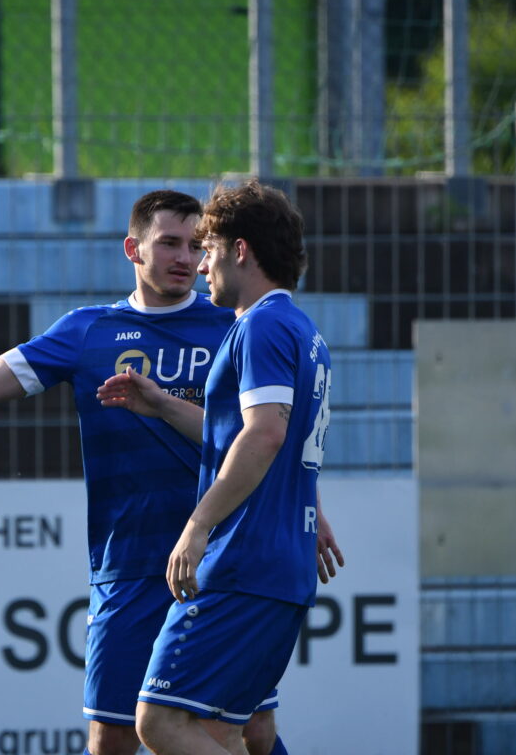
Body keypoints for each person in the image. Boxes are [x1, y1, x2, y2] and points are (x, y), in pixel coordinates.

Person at [0, 190, 339, 755]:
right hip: (131, 561)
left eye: (196, 245)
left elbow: (263, 431)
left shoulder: (235, 322)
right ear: (133, 249)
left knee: (246, 730)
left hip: (220, 557)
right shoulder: (90, 330)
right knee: (114, 737)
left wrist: (304, 505)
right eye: (170, 244)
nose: (188, 258)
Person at [96, 180, 335, 755]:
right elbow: (252, 435)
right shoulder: (302, 330)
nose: (202, 265)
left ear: (241, 250)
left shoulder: (260, 326)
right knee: (221, 732)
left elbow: (265, 433)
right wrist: (161, 404)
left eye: (209, 249)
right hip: (281, 566)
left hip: (243, 564)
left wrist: (198, 525)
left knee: (159, 722)